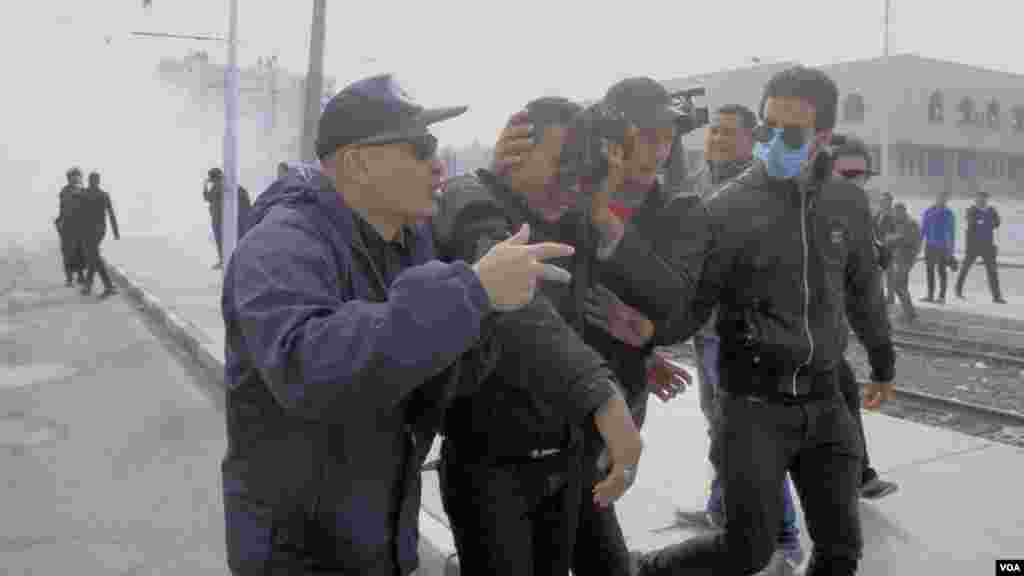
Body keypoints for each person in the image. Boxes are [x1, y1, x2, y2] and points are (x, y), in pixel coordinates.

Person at [218, 73, 576, 575]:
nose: (438, 164)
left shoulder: (407, 243)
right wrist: (470, 294)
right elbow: (311, 368)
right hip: (299, 552)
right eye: (418, 148)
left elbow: (432, 376)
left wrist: (485, 311)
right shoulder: (282, 245)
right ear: (358, 162)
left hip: (379, 539)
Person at [633, 66, 895, 576]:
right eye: (766, 129)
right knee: (746, 550)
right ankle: (644, 571)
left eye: (789, 133)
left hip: (825, 405)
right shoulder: (727, 209)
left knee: (841, 552)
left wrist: (883, 362)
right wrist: (645, 334)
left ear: (823, 137)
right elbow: (689, 306)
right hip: (752, 408)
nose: (772, 142)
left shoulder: (847, 203)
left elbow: (864, 292)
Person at [433, 97, 644, 576]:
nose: (571, 180)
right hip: (491, 465)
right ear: (515, 148)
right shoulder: (472, 205)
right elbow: (522, 313)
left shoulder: (571, 219)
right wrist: (602, 397)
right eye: (562, 162)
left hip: (566, 456)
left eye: (581, 167)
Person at [683, 103, 803, 565]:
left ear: (752, 140)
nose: (717, 140)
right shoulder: (698, 182)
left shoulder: (764, 189)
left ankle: (785, 540)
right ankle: (723, 510)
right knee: (720, 431)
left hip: (744, 336)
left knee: (754, 441)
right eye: (714, 132)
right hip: (704, 329)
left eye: (729, 134)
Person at [955, 190, 1006, 303]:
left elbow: (997, 223)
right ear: (976, 199)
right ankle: (958, 289)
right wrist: (986, 222)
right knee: (965, 268)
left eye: (984, 198)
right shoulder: (971, 210)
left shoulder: (991, 210)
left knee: (992, 272)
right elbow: (972, 222)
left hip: (988, 245)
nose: (982, 200)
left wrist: (983, 222)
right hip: (973, 246)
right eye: (980, 198)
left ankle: (996, 296)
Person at [79, 171, 120, 298]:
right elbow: (76, 213)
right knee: (93, 256)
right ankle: (88, 285)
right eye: (92, 180)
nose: (93, 182)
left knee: (94, 256)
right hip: (91, 230)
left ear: (97, 181)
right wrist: (115, 231)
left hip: (96, 230)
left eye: (94, 180)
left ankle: (109, 286)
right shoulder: (85, 194)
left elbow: (111, 214)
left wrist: (116, 231)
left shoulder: (99, 195)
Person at [204, 168, 253, 269]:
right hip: (227, 219)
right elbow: (208, 198)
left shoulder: (218, 186)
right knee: (233, 239)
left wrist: (205, 185)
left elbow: (207, 197)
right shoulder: (230, 186)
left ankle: (226, 260)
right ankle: (230, 260)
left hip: (220, 220)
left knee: (222, 241)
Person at [883, 202, 922, 323]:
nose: (895, 215)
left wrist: (892, 238)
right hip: (900, 258)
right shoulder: (899, 222)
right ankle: (909, 313)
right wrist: (893, 238)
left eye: (897, 213)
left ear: (903, 211)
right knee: (901, 286)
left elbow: (904, 240)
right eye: (894, 213)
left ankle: (909, 313)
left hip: (906, 259)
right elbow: (891, 238)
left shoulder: (910, 223)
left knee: (898, 285)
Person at [920, 189, 956, 304]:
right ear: (937, 198)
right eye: (940, 197)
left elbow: (951, 232)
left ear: (947, 200)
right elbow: (923, 228)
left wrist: (950, 250)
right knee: (929, 271)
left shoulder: (948, 213)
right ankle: (930, 295)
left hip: (943, 247)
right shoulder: (929, 211)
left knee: (941, 271)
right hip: (930, 245)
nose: (942, 200)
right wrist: (919, 244)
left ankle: (941, 296)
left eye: (944, 198)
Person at [56, 167, 87, 287]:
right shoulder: (64, 191)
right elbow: (62, 209)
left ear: (80, 178)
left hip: (81, 227)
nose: (75, 179)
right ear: (69, 179)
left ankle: (80, 276)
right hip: (67, 226)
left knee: (80, 252)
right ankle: (69, 278)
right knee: (67, 252)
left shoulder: (84, 191)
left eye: (77, 176)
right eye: (72, 177)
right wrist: (60, 222)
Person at [874, 191, 896, 304]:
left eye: (885, 201)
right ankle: (880, 296)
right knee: (878, 274)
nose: (882, 203)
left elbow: (896, 233)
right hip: (878, 249)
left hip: (889, 250)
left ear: (890, 202)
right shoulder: (878, 214)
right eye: (881, 201)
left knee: (889, 275)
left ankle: (891, 298)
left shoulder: (893, 215)